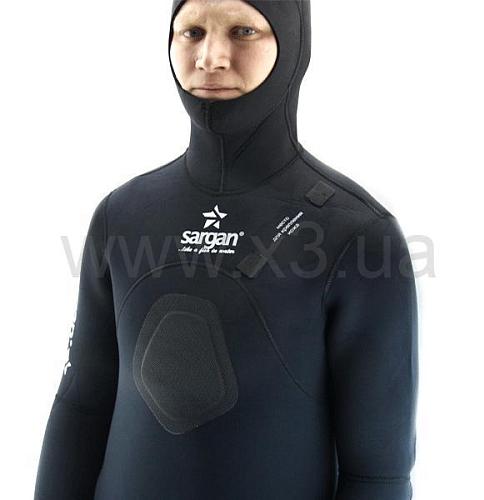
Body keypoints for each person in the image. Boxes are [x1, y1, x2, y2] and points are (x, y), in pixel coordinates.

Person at [34, 1, 419, 499]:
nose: (211, 57)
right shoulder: (121, 215)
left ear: (292, 41)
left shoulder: (358, 234)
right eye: (192, 32)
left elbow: (378, 474)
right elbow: (80, 406)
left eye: (243, 31)